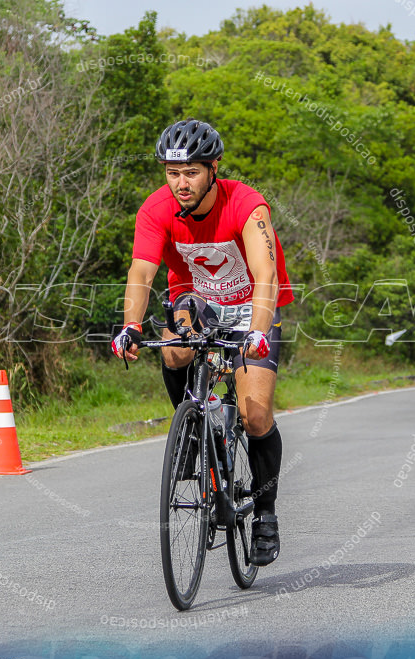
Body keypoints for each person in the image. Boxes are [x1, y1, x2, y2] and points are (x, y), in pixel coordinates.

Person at [111, 118, 294, 566]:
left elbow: (266, 274)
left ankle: (265, 516)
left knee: (255, 416)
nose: (181, 183)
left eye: (191, 171)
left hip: (251, 303)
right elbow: (141, 273)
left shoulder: (246, 205)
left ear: (214, 169)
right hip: (195, 301)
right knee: (173, 349)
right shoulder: (156, 209)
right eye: (172, 173)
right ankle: (192, 421)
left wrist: (256, 331)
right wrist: (130, 326)